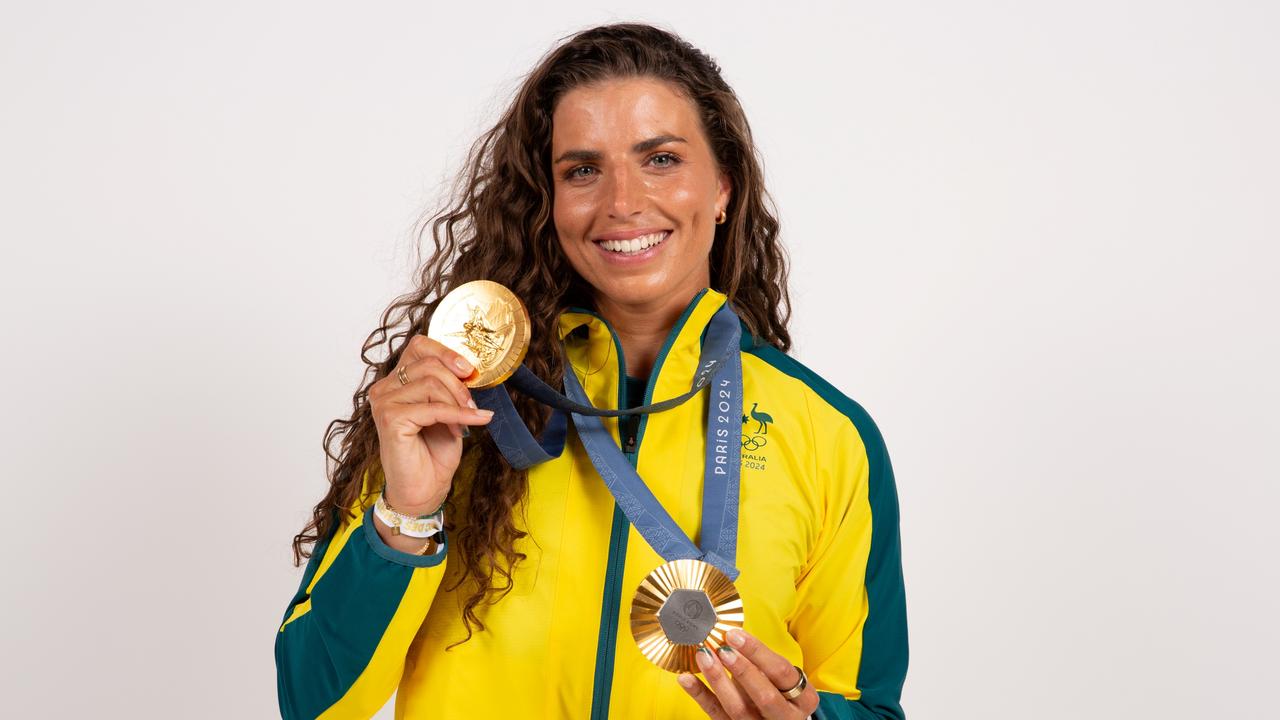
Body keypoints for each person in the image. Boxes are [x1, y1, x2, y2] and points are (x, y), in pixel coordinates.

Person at [274, 22, 908, 720]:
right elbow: (312, 703)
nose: (622, 203)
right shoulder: (457, 401)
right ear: (546, 202)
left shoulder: (830, 435)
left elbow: (868, 703)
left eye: (660, 159)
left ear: (723, 187)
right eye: (582, 170)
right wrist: (408, 517)